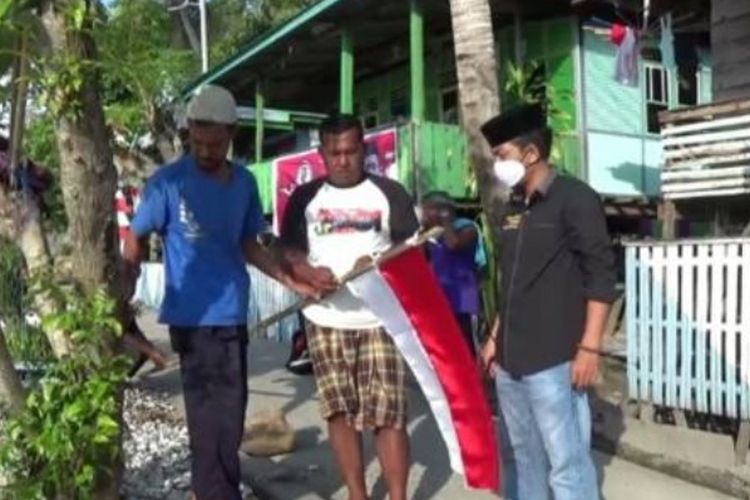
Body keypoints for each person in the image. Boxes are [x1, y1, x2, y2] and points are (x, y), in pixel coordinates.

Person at [123, 84, 312, 500]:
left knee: (229, 414)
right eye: (199, 142)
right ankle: (215, 493)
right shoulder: (167, 183)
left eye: (216, 143)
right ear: (189, 130)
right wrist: (126, 280)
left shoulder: (243, 183)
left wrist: (289, 279)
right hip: (190, 318)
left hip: (230, 313)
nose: (206, 150)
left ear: (231, 133)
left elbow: (249, 244)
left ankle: (210, 489)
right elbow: (135, 237)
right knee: (209, 417)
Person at [479, 103, 617, 500]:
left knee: (566, 463)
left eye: (501, 155)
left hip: (554, 360)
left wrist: (590, 347)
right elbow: (512, 282)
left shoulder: (576, 199)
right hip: (510, 360)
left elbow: (601, 277)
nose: (496, 164)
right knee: (522, 457)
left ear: (531, 153)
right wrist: (494, 338)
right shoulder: (513, 207)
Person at [279, 113, 418, 500]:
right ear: (322, 153)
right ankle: (357, 494)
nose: (343, 160)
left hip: (381, 319)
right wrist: (305, 268)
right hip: (325, 320)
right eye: (334, 152)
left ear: (364, 150)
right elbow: (287, 249)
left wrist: (377, 263)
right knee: (339, 411)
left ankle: (398, 496)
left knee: (389, 415)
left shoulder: (390, 193)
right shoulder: (305, 198)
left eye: (351, 151)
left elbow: (412, 248)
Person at [420, 191, 485, 356]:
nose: (425, 216)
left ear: (443, 210)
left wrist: (446, 220)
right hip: (440, 303)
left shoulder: (467, 228)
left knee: (467, 351)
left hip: (463, 305)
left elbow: (453, 244)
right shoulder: (432, 234)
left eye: (428, 211)